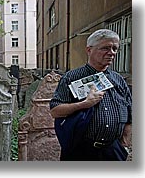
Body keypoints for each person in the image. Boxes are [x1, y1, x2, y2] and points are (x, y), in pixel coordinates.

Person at [50, 29, 132, 161]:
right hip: (80, 151)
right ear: (89, 50)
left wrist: (124, 145)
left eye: (115, 49)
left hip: (113, 151)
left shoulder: (119, 80)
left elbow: (130, 114)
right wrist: (84, 104)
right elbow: (55, 111)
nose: (111, 53)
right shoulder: (71, 77)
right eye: (106, 48)